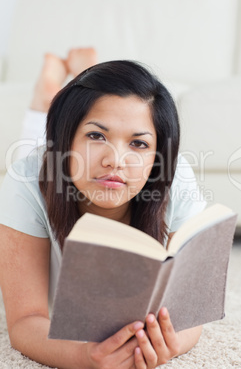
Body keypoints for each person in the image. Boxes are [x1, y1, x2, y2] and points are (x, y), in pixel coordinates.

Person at [0, 57, 206, 368]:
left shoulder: (175, 179)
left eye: (138, 143)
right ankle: (48, 89)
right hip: (48, 168)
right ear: (67, 139)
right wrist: (83, 357)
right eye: (97, 136)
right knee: (33, 141)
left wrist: (169, 344)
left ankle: (81, 77)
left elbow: (190, 317)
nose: (116, 160)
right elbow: (25, 322)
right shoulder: (24, 180)